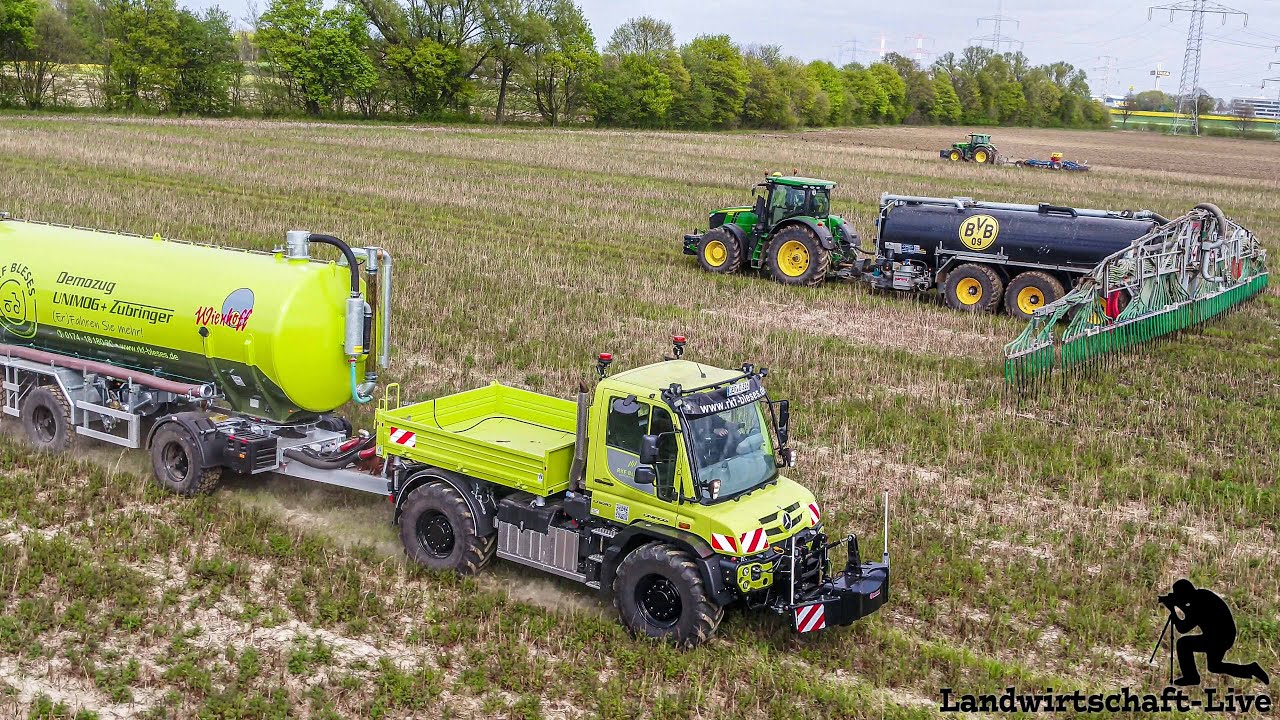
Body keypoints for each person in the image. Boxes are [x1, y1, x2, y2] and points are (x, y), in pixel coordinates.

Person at [1161, 578, 1270, 686]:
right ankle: (1251, 669)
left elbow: (1183, 628)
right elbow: (1191, 613)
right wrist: (1178, 604)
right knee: (1214, 666)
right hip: (1223, 635)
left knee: (1183, 644)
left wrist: (1172, 609)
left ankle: (1191, 677)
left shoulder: (1198, 604)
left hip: (1219, 638)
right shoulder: (1202, 595)